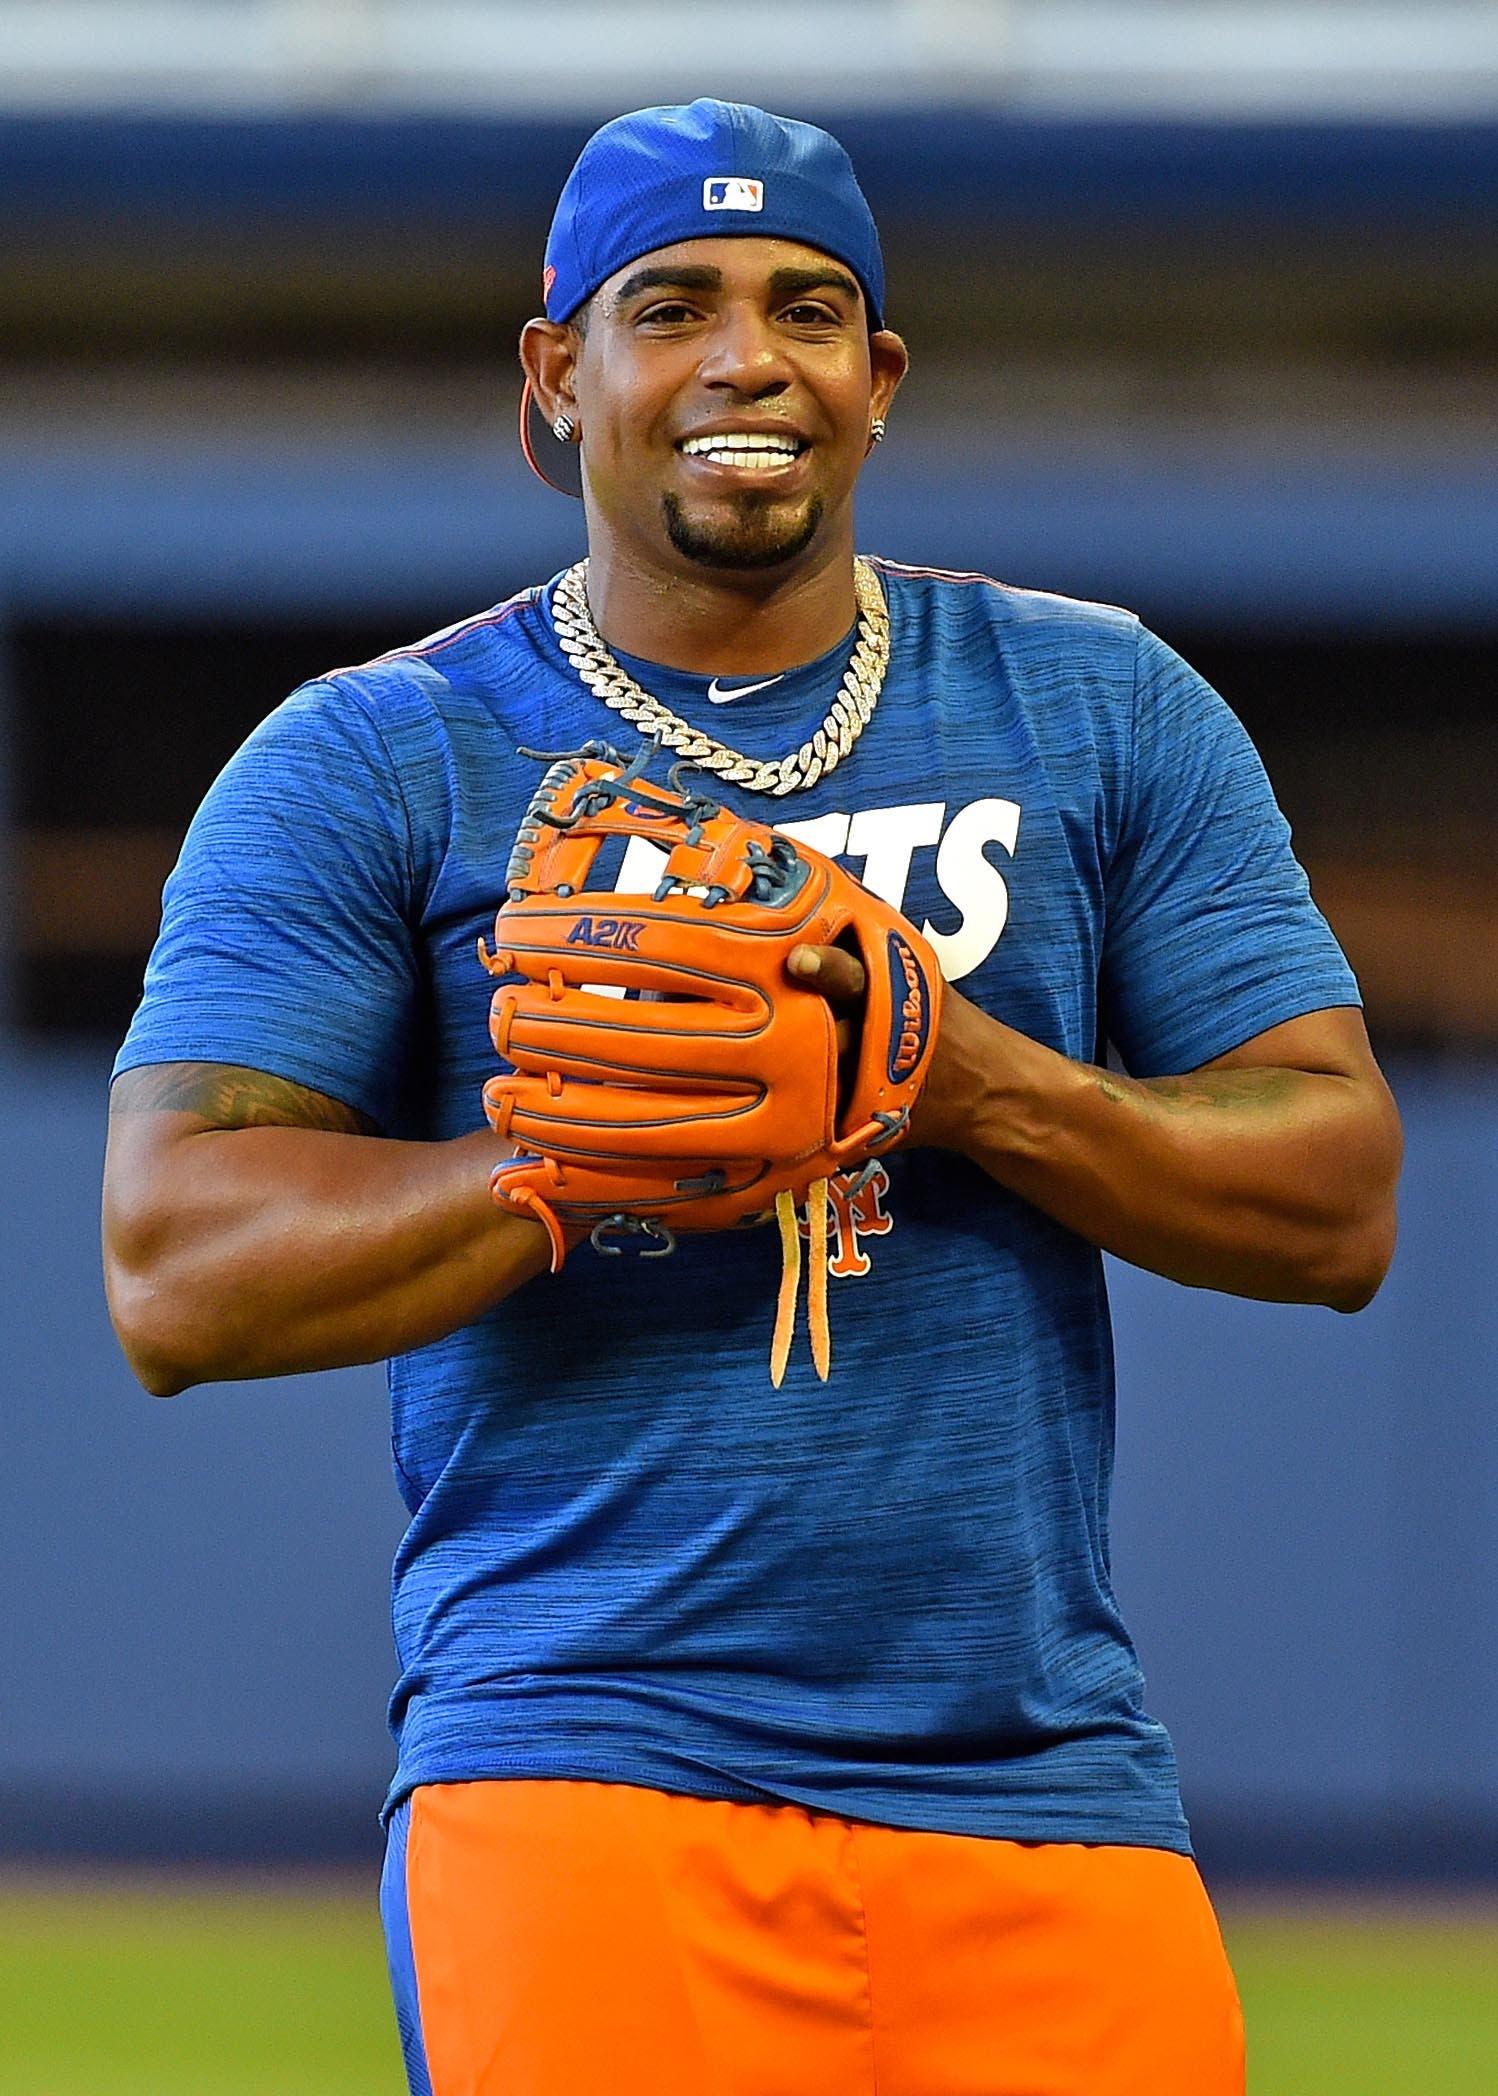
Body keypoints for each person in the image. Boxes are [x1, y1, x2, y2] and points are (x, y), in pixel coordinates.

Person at [102, 99, 1401, 2096]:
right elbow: (174, 1268)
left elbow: (1331, 1196)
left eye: (807, 309)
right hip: (582, 1755)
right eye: (670, 304)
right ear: (558, 377)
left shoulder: (1095, 702)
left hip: (1045, 1769)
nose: (744, 362)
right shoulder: (379, 754)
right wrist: (564, 1153)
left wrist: (957, 1080)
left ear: (876, 380)